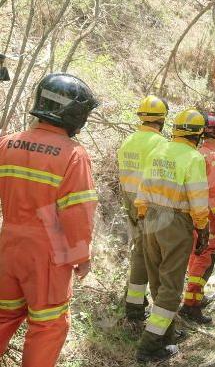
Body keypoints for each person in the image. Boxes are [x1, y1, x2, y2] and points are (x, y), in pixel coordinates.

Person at [0, 73, 99, 367]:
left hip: (8, 244)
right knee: (48, 326)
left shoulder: (7, 144)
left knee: (3, 315)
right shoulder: (73, 155)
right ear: (73, 113)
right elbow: (77, 213)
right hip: (48, 251)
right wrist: (82, 256)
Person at [133, 109, 210, 362]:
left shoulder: (159, 150)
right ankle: (149, 345)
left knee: (156, 281)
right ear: (199, 135)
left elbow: (142, 188)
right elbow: (198, 200)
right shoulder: (193, 157)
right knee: (171, 287)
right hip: (176, 222)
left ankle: (166, 335)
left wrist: (143, 215)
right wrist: (203, 227)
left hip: (150, 219)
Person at [117, 95, 169, 322]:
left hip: (128, 199)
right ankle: (135, 305)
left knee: (138, 248)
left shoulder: (128, 140)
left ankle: (135, 298)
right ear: (162, 120)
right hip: (146, 204)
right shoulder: (161, 144)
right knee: (143, 253)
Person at [180, 111, 215, 323]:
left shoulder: (195, 153)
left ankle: (195, 297)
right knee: (203, 259)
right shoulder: (214, 157)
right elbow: (213, 194)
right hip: (207, 218)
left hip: (189, 214)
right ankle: (191, 305)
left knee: (195, 258)